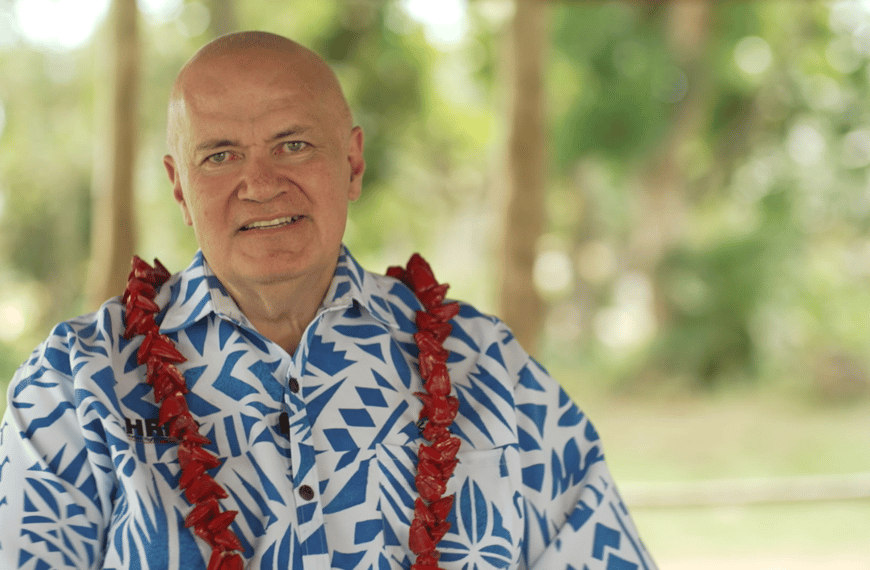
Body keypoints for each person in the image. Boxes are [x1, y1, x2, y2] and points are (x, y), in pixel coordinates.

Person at [0, 31, 657, 570]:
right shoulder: (77, 386)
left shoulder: (489, 372)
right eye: (221, 155)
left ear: (353, 161)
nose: (260, 184)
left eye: (293, 145)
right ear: (179, 186)